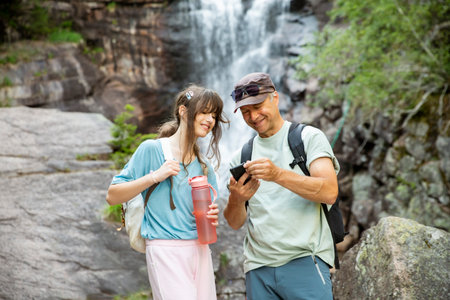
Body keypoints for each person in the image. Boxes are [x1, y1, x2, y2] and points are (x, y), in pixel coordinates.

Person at [224, 72, 340, 300]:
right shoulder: (241, 156)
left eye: (258, 106)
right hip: (258, 270)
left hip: (305, 261)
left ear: (275, 98)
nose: (253, 116)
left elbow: (329, 192)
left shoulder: (308, 138)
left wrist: (277, 174)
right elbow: (234, 222)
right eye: (246, 112)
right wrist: (236, 198)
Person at [106, 85, 228, 300]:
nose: (210, 119)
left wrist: (212, 217)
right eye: (204, 112)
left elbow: (208, 212)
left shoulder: (204, 165)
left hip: (200, 249)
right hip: (165, 249)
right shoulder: (152, 150)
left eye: (214, 115)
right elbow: (113, 195)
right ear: (183, 111)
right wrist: (154, 176)